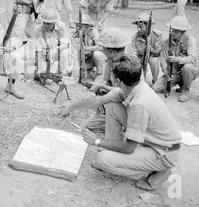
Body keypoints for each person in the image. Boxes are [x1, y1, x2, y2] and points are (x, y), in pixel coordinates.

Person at [77, 55, 182, 191]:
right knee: (113, 107)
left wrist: (96, 141)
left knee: (103, 159)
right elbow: (109, 96)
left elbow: (129, 148)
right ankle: (125, 155)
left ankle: (153, 172)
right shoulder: (136, 85)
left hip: (163, 153)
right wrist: (100, 87)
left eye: (112, 76)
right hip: (155, 141)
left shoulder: (140, 104)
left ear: (118, 80)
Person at [66, 27, 130, 131]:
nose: (102, 51)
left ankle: (120, 123)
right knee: (89, 125)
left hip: (128, 107)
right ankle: (113, 120)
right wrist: (100, 89)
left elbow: (123, 93)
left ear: (111, 50)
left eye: (104, 48)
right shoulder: (110, 62)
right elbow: (107, 82)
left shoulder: (129, 66)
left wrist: (100, 87)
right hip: (115, 101)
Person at [152, 16, 199, 102]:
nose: (173, 33)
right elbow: (163, 58)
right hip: (173, 72)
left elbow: (192, 59)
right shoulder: (166, 41)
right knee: (155, 88)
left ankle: (185, 91)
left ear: (183, 31)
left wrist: (176, 59)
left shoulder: (190, 40)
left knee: (187, 67)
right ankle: (180, 82)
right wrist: (166, 70)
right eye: (172, 30)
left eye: (176, 31)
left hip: (188, 71)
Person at [34, 9, 71, 77]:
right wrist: (39, 68)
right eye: (44, 22)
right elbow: (37, 51)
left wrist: (56, 49)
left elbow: (66, 44)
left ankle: (62, 72)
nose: (46, 25)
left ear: (54, 22)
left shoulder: (61, 26)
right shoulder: (38, 29)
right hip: (44, 55)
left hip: (57, 55)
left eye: (48, 23)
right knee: (45, 76)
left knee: (65, 52)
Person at [129, 11, 163, 85]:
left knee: (154, 61)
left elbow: (158, 52)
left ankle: (155, 81)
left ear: (148, 26)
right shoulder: (135, 37)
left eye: (141, 27)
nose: (138, 29)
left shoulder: (157, 35)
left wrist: (149, 48)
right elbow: (130, 52)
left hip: (152, 55)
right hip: (141, 56)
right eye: (137, 27)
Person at [71, 13, 106, 83]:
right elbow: (74, 53)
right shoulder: (75, 35)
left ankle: (100, 74)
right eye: (76, 25)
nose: (77, 27)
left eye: (79, 25)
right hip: (84, 59)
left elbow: (100, 47)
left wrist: (86, 48)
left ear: (86, 26)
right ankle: (88, 70)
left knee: (97, 54)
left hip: (94, 57)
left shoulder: (93, 32)